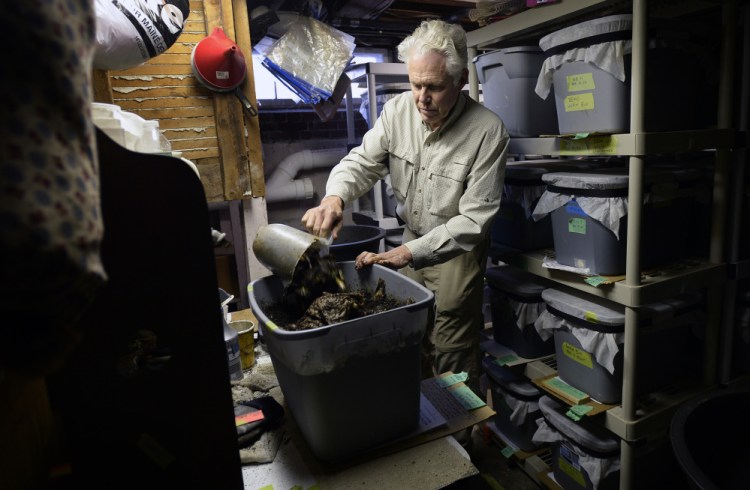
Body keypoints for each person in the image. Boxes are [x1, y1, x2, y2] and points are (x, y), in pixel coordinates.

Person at [301, 19, 509, 394]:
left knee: (452, 354)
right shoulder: (398, 112)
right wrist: (335, 197)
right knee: (407, 338)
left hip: (455, 258)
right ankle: (421, 425)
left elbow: (475, 220)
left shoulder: (487, 132)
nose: (422, 98)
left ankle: (462, 443)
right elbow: (361, 162)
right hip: (409, 242)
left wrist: (409, 253)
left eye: (434, 87)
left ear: (460, 80)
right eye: (416, 85)